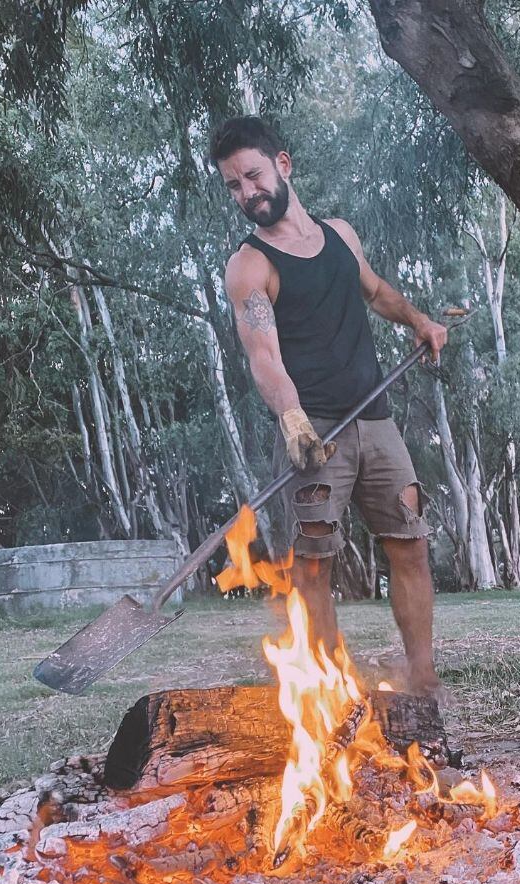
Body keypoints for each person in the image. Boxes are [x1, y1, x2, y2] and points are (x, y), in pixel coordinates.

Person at [210, 116, 448, 698]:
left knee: (409, 543)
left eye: (253, 176)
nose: (247, 193)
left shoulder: (340, 235)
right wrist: (292, 418)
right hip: (314, 429)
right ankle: (330, 693)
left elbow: (373, 289)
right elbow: (263, 355)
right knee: (313, 565)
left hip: (376, 420)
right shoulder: (250, 266)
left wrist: (418, 320)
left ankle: (421, 678)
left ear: (283, 165)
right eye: (234, 186)